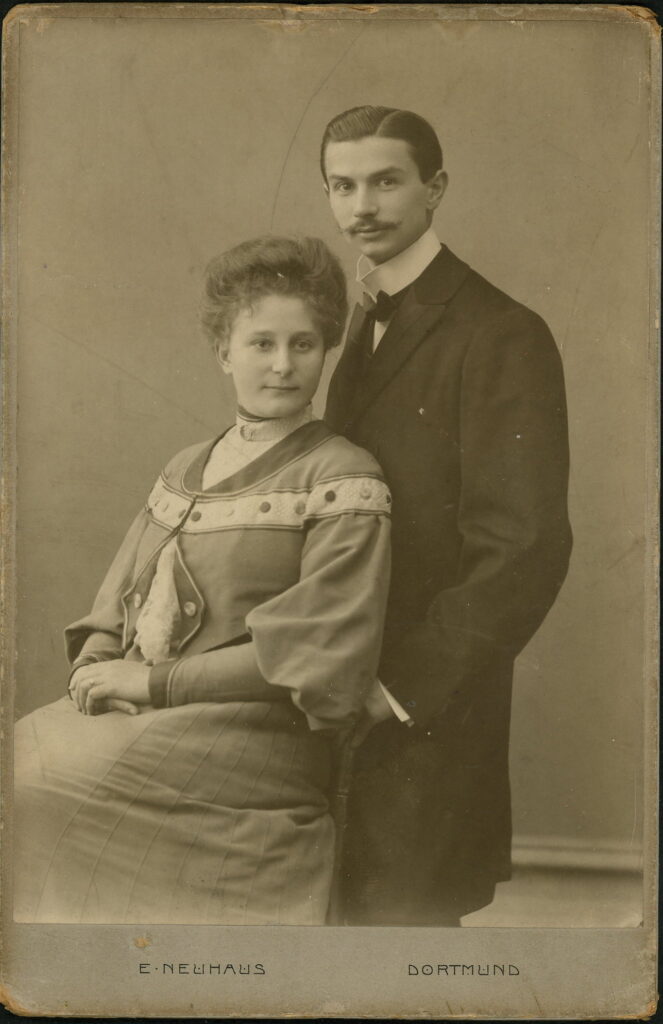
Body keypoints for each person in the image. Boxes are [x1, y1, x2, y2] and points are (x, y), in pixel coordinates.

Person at [13, 235, 392, 925]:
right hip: (148, 713)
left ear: (326, 350)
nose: (282, 366)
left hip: (258, 733)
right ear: (224, 351)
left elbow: (320, 654)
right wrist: (94, 671)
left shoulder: (342, 475)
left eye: (303, 345)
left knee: (36, 784)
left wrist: (152, 684)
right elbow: (113, 605)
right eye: (261, 344)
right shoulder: (186, 465)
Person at [321, 106, 573, 926]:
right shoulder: (362, 321)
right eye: (342, 184)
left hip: (425, 713)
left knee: (404, 950)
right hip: (343, 702)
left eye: (386, 181)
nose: (363, 204)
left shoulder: (501, 332)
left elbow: (524, 548)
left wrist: (399, 691)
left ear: (435, 189)